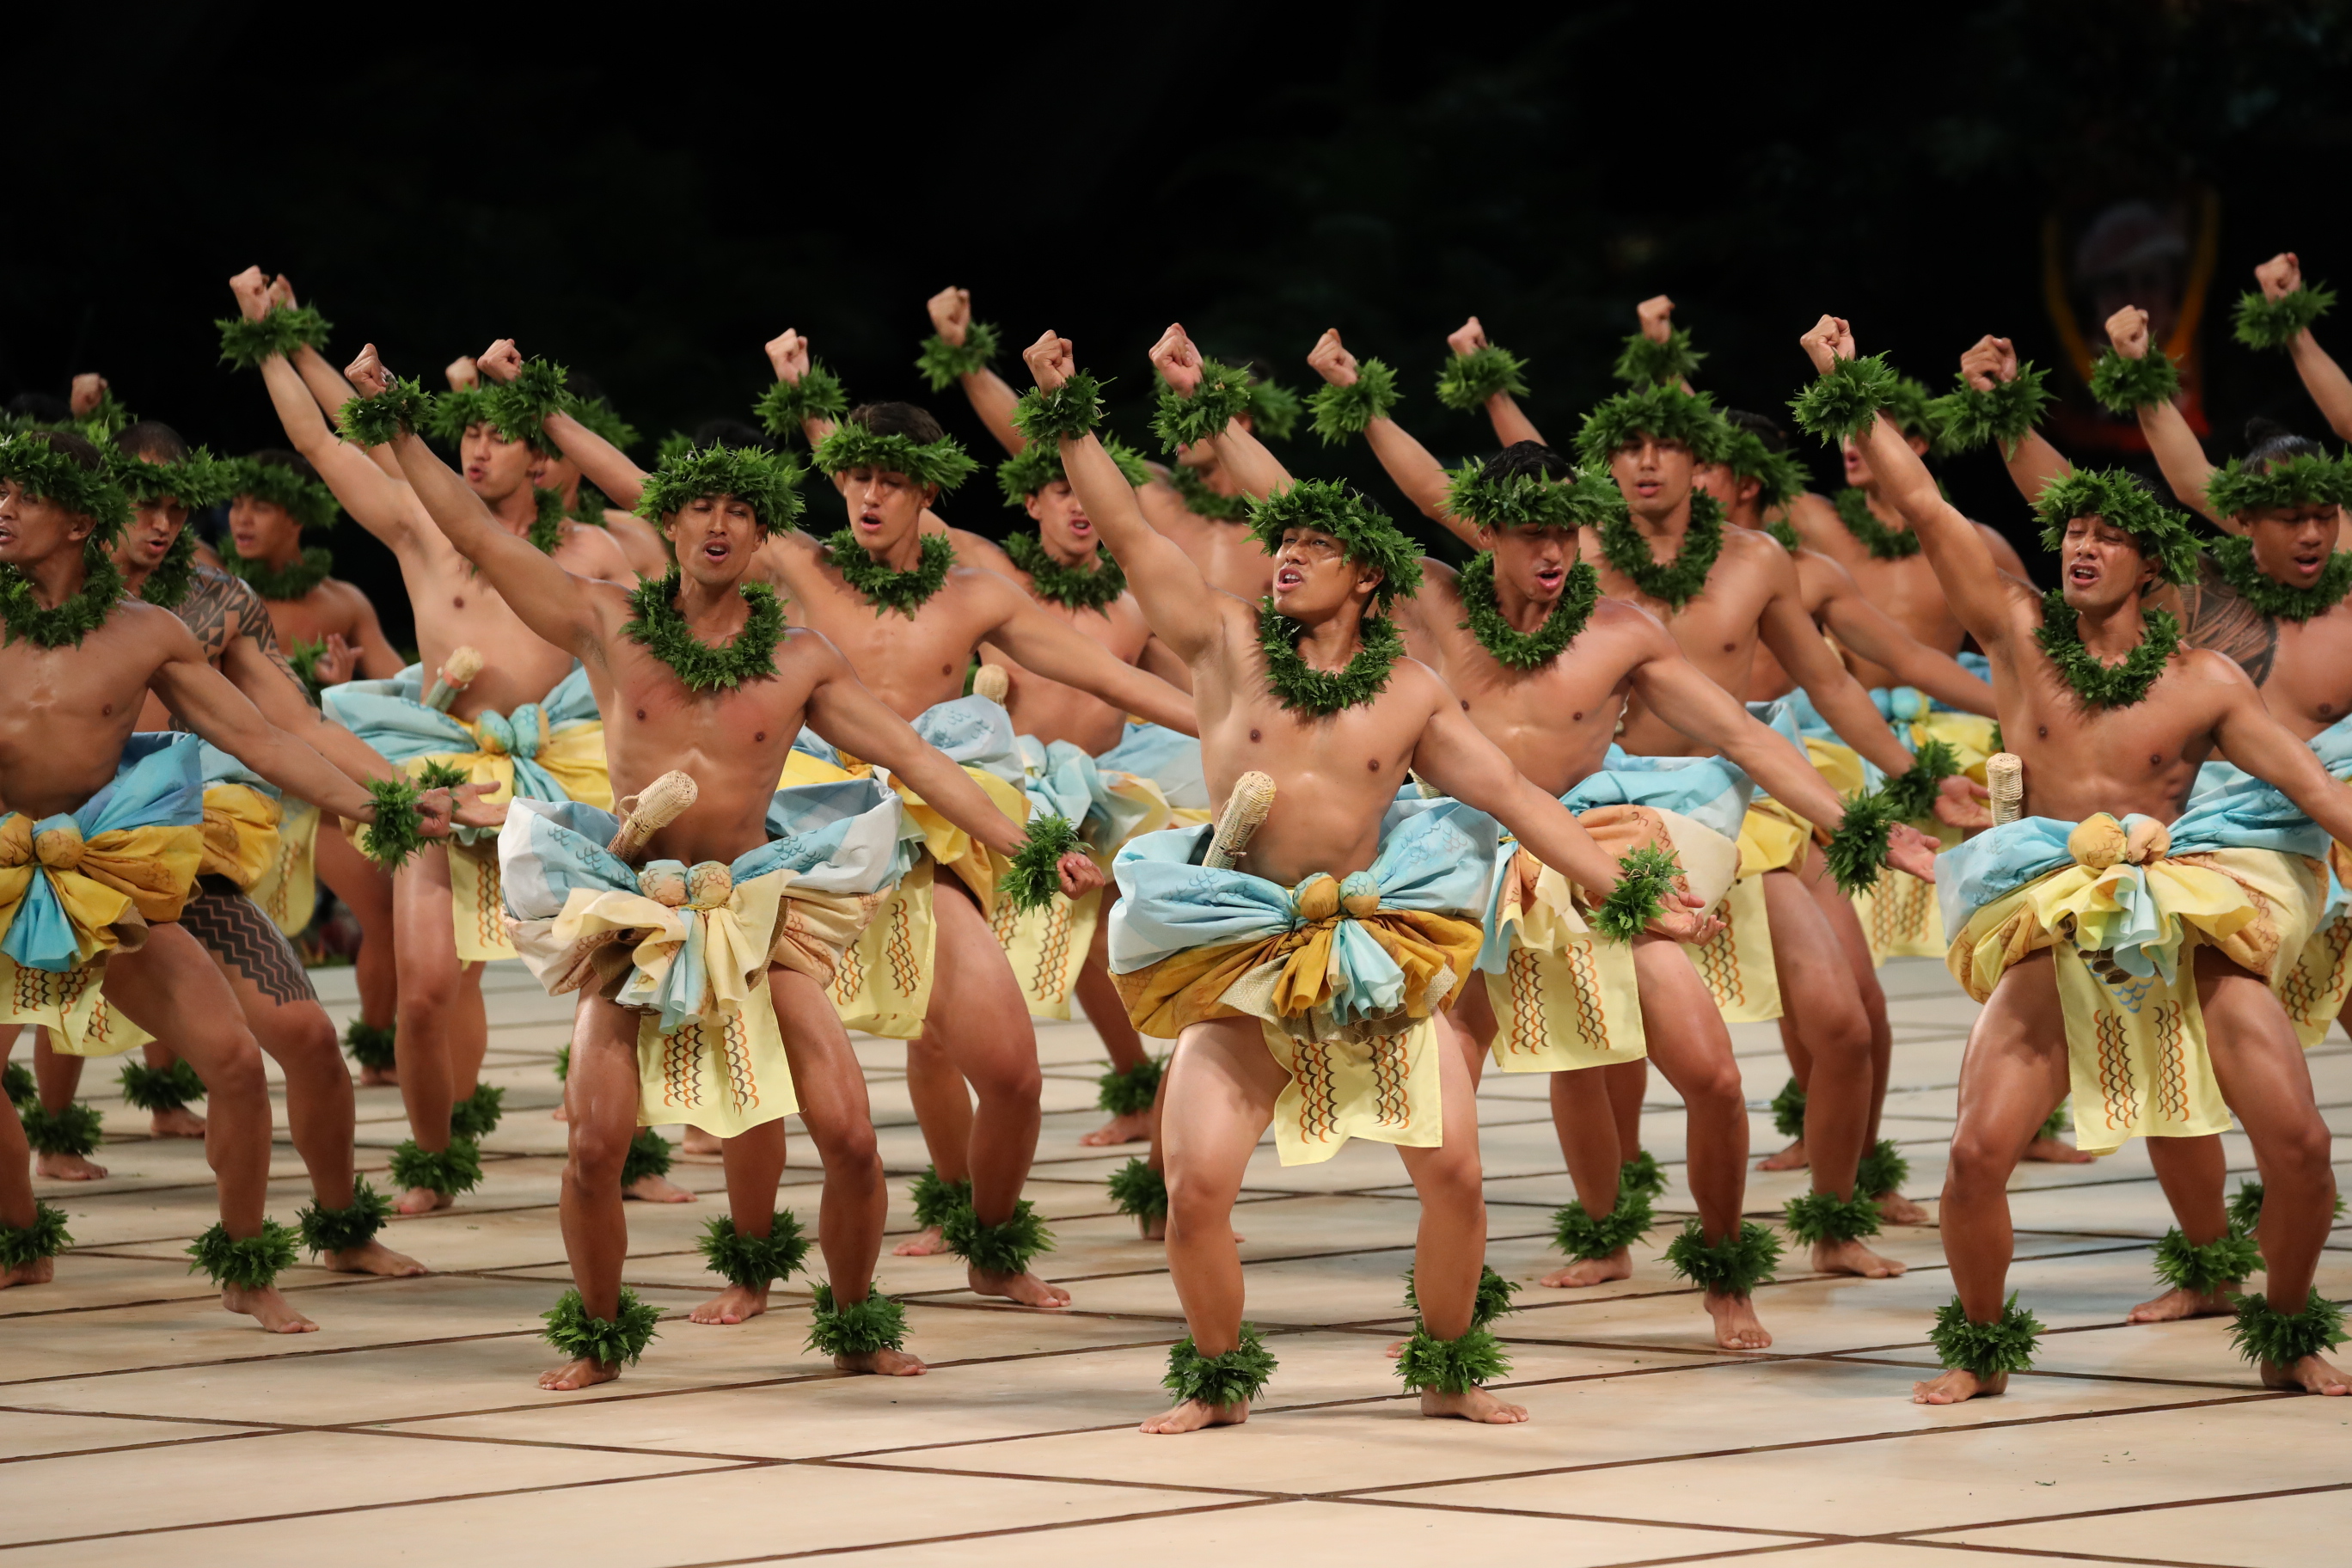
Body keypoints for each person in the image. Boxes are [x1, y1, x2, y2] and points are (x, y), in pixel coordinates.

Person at [1022, 327, 1733, 1432]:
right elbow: (1125, 526)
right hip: (1245, 942)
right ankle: (1216, 1380)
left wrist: (1623, 888)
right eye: (1282, 544)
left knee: (1454, 1177)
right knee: (1198, 1184)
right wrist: (1063, 409)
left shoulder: (1407, 692)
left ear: (1367, 577)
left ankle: (1449, 1367)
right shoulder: (1221, 648)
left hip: (1374, 946)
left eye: (1313, 546)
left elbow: (1511, 795)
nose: (1287, 558)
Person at [348, 342, 1098, 1387]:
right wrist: (390, 420)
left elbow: (918, 757)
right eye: (696, 508)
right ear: (670, 522)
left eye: (736, 513)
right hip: (635, 909)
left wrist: (1040, 843)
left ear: (760, 531)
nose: (715, 526)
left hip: (758, 908)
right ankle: (603, 1338)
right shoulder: (604, 624)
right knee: (594, 1146)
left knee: (848, 1137)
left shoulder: (800, 659)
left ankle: (856, 1323)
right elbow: (468, 525)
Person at [515, 335, 1197, 1304]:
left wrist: (1234, 722)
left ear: (927, 496)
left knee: (1009, 1071)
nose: (868, 498)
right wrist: (546, 411)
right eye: (855, 479)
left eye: (889, 482)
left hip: (922, 839)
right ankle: (754, 1271)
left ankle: (992, 1247)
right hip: (796, 846)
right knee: (759, 1077)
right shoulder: (791, 564)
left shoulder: (976, 595)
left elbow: (1109, 674)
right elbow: (645, 486)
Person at [1307, 329, 1944, 1316]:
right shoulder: (1432, 604)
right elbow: (1315, 521)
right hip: (1468, 866)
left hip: (1594, 854)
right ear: (1491, 535)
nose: (1554, 552)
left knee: (1716, 1079)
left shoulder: (1621, 632)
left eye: (1567, 532)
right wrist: (1296, 405)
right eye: (1531, 535)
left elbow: (1746, 735)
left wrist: (1864, 822)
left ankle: (1728, 1274)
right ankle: (1455, 1315)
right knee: (1448, 1105)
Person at [1794, 314, 2349, 1402]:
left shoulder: (2203, 681)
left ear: (2153, 566)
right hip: (2053, 910)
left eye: (2105, 536)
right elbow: (1923, 505)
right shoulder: (2016, 635)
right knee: (1973, 1154)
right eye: (2071, 534)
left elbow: (2314, 789)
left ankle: (2287, 1327)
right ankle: (1982, 1350)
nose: (2080, 548)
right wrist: (1852, 384)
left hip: (2181, 907)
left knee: (2299, 1146)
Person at [0, 428, 452, 1323]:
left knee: (248, 1059)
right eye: (151, 504)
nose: (4, 510)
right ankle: (19, 1237)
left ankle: (260, 1265)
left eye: (25, 497)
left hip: (137, 866)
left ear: (78, 520)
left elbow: (270, 738)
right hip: (9, 865)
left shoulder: (174, 622)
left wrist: (393, 805)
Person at [1963, 305, 2352, 1323]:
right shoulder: (2201, 594)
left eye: (2327, 513)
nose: (2309, 532)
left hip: (2307, 833)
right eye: (2285, 513)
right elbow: (2093, 509)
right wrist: (2013, 409)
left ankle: (2281, 1279)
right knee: (2183, 1060)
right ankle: (2213, 1267)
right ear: (2237, 516)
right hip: (2202, 836)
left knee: (2297, 1112)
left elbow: (2319, 789)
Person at [221, 266, 637, 1216]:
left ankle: (630, 1142)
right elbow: (322, 438)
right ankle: (435, 1158)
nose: (477, 448)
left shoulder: (590, 559)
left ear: (544, 459)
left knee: (618, 973)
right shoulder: (423, 532)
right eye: (470, 433)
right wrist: (281, 337)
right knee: (427, 991)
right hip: (447, 774)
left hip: (561, 773)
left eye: (498, 434)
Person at [922, 287, 1210, 1158]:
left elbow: (1194, 692)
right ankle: (958, 1181)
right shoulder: (997, 586)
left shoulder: (1134, 607)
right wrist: (969, 358)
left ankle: (1152, 1111)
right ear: (1031, 506)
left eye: (1087, 494)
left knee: (1120, 950)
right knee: (958, 1003)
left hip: (1110, 797)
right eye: (1056, 493)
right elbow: (903, 513)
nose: (1079, 507)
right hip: (1006, 804)